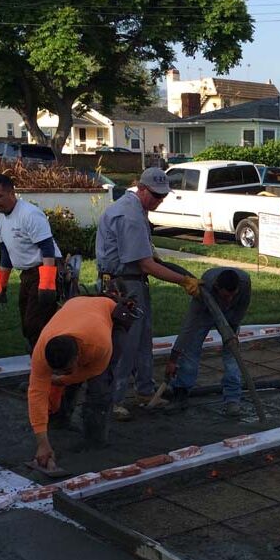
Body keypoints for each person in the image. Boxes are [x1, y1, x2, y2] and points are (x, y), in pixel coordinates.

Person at [95, 166, 200, 420]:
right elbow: (147, 265)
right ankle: (114, 400)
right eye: (155, 195)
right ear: (141, 188)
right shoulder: (129, 215)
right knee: (125, 344)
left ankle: (144, 391)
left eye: (162, 196)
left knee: (143, 339)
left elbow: (145, 256)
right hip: (123, 287)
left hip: (132, 283)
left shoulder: (137, 208)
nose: (159, 200)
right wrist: (183, 280)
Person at [28, 295, 125, 468]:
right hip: (74, 307)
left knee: (100, 385)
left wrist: (65, 379)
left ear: (78, 355)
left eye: (66, 368)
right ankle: (62, 418)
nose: (61, 373)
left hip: (110, 312)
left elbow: (95, 370)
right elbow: (36, 393)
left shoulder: (100, 345)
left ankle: (96, 438)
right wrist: (42, 443)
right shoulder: (41, 352)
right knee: (63, 381)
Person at [0, 174, 61, 352]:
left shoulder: (30, 214)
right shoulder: (0, 219)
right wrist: (0, 285)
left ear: (12, 193)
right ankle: (40, 363)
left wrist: (47, 285)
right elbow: (6, 253)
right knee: (27, 323)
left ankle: (47, 364)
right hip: (27, 275)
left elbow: (47, 248)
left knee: (35, 323)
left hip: (43, 270)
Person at [165, 267, 251, 417]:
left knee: (232, 354)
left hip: (231, 314)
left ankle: (232, 400)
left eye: (233, 295)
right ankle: (181, 393)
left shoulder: (244, 283)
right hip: (206, 310)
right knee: (191, 349)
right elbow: (189, 327)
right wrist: (173, 358)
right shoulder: (203, 289)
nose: (229, 299)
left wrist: (231, 333)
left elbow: (242, 308)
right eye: (225, 296)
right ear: (217, 288)